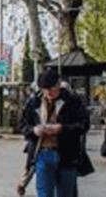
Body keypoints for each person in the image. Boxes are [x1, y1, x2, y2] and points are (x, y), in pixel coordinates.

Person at [20, 69, 90, 197]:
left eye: (51, 88)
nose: (48, 93)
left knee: (65, 194)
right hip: (42, 153)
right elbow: (23, 125)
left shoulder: (72, 101)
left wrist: (62, 128)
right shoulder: (34, 102)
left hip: (67, 154)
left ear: (58, 84)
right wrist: (34, 130)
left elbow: (84, 125)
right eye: (44, 89)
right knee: (44, 194)